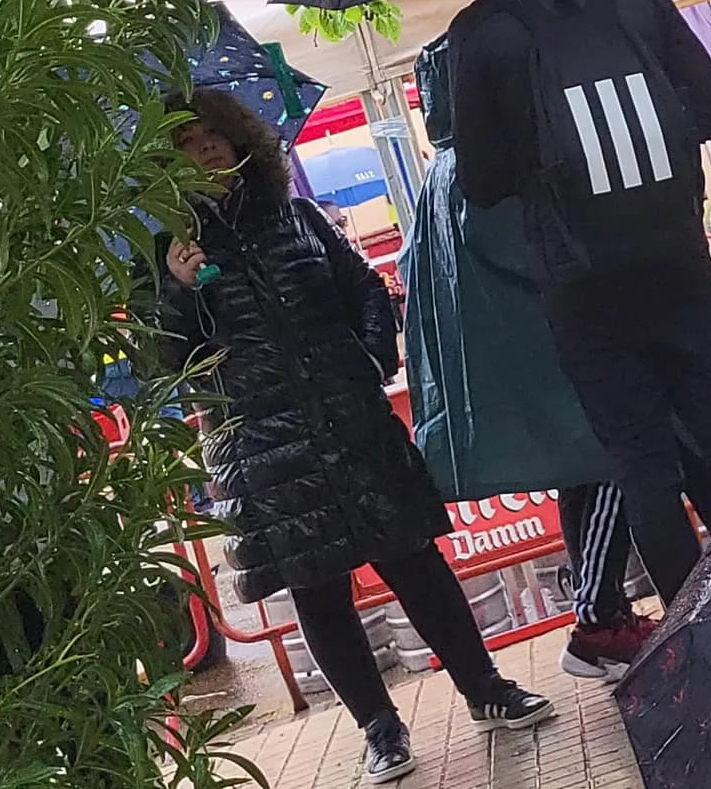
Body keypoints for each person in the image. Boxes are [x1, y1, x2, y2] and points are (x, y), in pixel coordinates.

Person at [148, 89, 551, 784]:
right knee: (317, 589)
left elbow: (366, 289)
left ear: (241, 137)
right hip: (262, 450)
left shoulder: (296, 215)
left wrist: (370, 358)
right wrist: (180, 293)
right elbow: (164, 362)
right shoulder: (167, 253)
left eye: (214, 132)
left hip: (351, 419)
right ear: (166, 165)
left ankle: (486, 688)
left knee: (414, 561)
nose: (206, 146)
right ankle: (379, 729)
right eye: (186, 141)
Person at [448, 0, 711, 608]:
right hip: (674, 252)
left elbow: (479, 182)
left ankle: (699, 632)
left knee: (641, 463)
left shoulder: (479, 31)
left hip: (578, 280)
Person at [400, 37, 656, 684]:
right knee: (608, 462)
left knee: (585, 473)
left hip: (506, 362)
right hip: (547, 346)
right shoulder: (486, 171)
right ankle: (597, 618)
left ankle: (604, 615)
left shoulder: (440, 172)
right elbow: (534, 251)